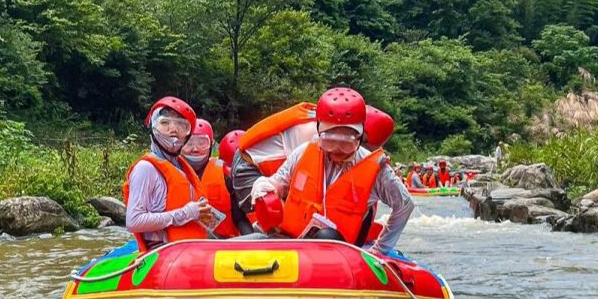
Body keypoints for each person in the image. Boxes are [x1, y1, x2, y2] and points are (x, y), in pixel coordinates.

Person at [250, 86, 413, 256]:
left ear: (360, 136)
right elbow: (279, 181)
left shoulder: (376, 170)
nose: (337, 150)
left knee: (325, 236)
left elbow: (404, 205)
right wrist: (265, 184)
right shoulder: (304, 152)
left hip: (339, 254)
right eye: (330, 141)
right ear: (319, 131)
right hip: (293, 241)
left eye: (346, 143)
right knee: (251, 238)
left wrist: (379, 250)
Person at [123, 97, 214, 251]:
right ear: (152, 126)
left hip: (190, 250)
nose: (173, 129)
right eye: (165, 123)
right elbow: (134, 221)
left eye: (181, 125)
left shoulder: (183, 167)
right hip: (164, 253)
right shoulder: (145, 168)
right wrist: (185, 213)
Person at [231, 101, 318, 221]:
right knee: (266, 220)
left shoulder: (323, 124)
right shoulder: (309, 131)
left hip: (268, 163)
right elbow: (305, 174)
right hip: (249, 163)